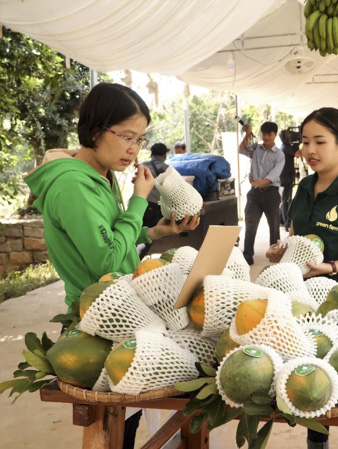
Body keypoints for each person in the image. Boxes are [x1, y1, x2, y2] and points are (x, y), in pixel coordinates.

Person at [24, 82, 199, 449]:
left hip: (119, 304)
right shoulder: (73, 185)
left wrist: (154, 232)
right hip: (97, 316)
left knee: (128, 423)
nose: (134, 149)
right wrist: (138, 200)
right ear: (95, 130)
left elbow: (115, 249)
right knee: (115, 429)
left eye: (140, 139)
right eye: (126, 137)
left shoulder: (99, 177)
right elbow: (104, 261)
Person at [266, 107, 338, 449]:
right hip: (306, 302)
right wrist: (281, 249)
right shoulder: (304, 187)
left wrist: (331, 267)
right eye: (305, 142)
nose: (310, 150)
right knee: (313, 379)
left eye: (320, 141)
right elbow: (296, 235)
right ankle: (316, 443)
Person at [239, 121, 285, 265]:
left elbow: (275, 174)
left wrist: (260, 182)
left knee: (274, 225)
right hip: (254, 194)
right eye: (264, 134)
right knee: (250, 223)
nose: (266, 137)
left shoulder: (279, 155)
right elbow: (241, 149)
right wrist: (247, 133)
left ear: (275, 135)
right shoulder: (255, 149)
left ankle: (274, 255)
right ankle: (247, 255)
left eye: (269, 134)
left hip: (271, 193)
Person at [137, 142, 170, 258]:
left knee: (135, 234)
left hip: (137, 205)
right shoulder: (165, 168)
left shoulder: (143, 166)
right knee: (145, 240)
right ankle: (135, 263)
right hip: (152, 207)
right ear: (164, 155)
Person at [279, 128, 301, 232]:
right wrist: (300, 144)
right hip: (285, 178)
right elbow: (299, 154)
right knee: (286, 200)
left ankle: (284, 220)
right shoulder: (286, 148)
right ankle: (286, 221)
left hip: (286, 177)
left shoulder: (284, 147)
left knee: (286, 199)